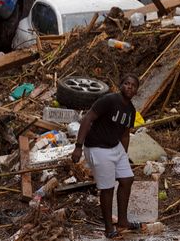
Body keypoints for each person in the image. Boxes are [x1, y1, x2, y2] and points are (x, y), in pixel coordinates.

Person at [71, 74, 141, 239]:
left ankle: (123, 221)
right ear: (120, 85)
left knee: (127, 180)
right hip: (97, 147)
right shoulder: (109, 100)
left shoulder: (131, 110)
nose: (129, 87)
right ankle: (109, 228)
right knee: (107, 188)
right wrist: (78, 147)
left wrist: (123, 154)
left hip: (115, 147)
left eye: (133, 85)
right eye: (126, 83)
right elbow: (87, 119)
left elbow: (125, 134)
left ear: (137, 90)